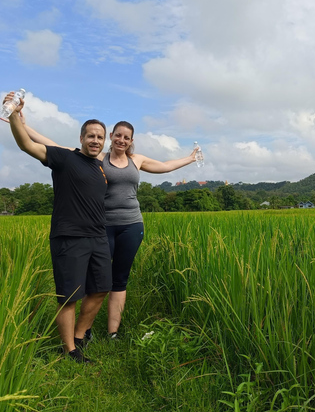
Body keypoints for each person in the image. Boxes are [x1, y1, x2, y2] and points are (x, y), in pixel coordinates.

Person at [20, 116, 198, 340]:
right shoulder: (97, 156)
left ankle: (112, 331)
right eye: (118, 136)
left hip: (131, 224)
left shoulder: (137, 160)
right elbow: (54, 146)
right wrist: (25, 127)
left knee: (118, 279)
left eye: (127, 137)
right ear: (111, 137)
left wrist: (190, 159)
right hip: (100, 225)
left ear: (131, 140)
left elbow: (165, 167)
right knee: (93, 280)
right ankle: (84, 329)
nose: (122, 140)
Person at [4, 92, 111, 363]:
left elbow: (45, 140)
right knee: (70, 296)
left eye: (100, 137)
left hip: (98, 236)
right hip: (69, 237)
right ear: (81, 138)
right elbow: (27, 145)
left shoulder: (99, 167)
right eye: (91, 135)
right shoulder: (65, 159)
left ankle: (79, 334)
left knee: (100, 289)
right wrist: (15, 115)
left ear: (104, 141)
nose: (95, 140)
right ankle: (70, 350)